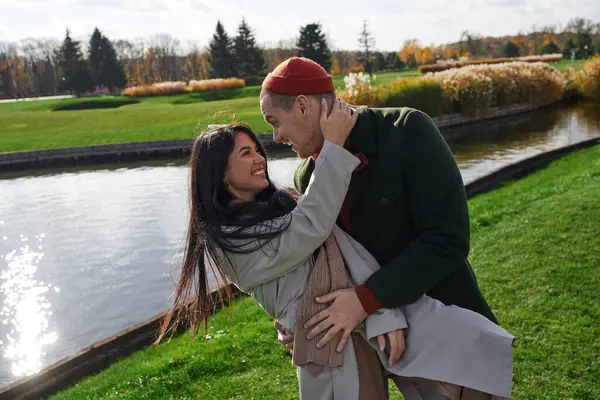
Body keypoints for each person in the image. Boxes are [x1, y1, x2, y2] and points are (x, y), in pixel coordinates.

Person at [155, 114, 514, 399]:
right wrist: (335, 148)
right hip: (330, 346)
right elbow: (309, 228)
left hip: (368, 324)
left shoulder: (283, 208)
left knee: (470, 358)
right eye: (245, 153)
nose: (260, 157)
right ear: (219, 172)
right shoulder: (227, 242)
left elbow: (344, 251)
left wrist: (382, 312)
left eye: (257, 149)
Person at [259, 57, 498, 357]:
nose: (276, 137)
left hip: (452, 326)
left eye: (274, 122)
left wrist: (365, 300)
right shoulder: (307, 175)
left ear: (304, 106)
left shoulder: (408, 130)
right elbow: (326, 262)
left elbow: (447, 240)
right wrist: (297, 318)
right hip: (378, 342)